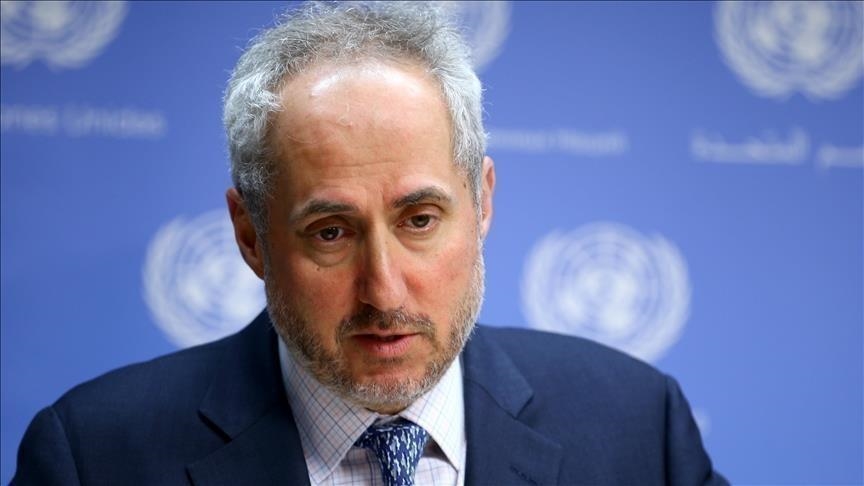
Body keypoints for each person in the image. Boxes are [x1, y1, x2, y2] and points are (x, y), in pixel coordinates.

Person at [13, 2, 727, 485]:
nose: (383, 291)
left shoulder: (638, 427)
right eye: (331, 233)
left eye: (419, 220)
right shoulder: (93, 456)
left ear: (482, 203)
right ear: (250, 236)